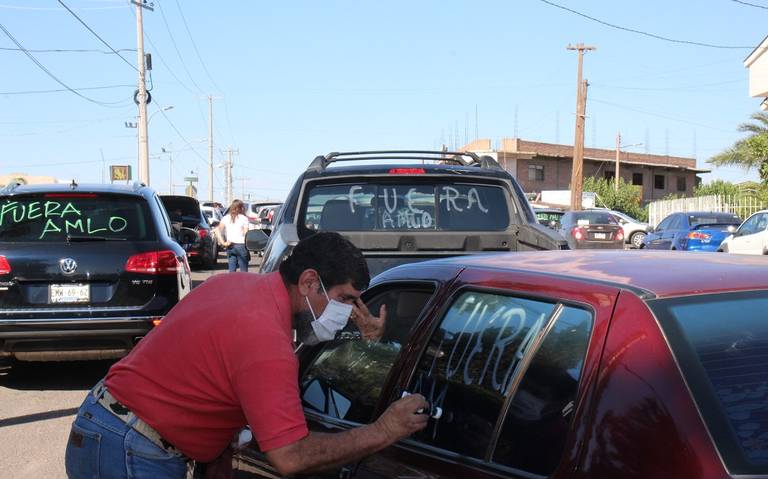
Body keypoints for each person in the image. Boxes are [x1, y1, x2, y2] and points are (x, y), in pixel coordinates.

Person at [65, 232, 428, 479]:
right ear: (308, 282)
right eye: (345, 299)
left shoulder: (235, 285)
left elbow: (210, 370)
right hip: (129, 450)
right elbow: (289, 457)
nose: (349, 310)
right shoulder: (266, 341)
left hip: (107, 429)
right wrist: (384, 430)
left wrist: (216, 449)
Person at [217, 199, 250, 272]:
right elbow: (246, 233)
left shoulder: (226, 218)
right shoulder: (244, 218)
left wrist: (223, 243)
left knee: (231, 271)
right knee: (244, 272)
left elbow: (217, 231)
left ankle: (232, 283)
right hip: (241, 246)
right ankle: (243, 283)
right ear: (241, 208)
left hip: (230, 245)